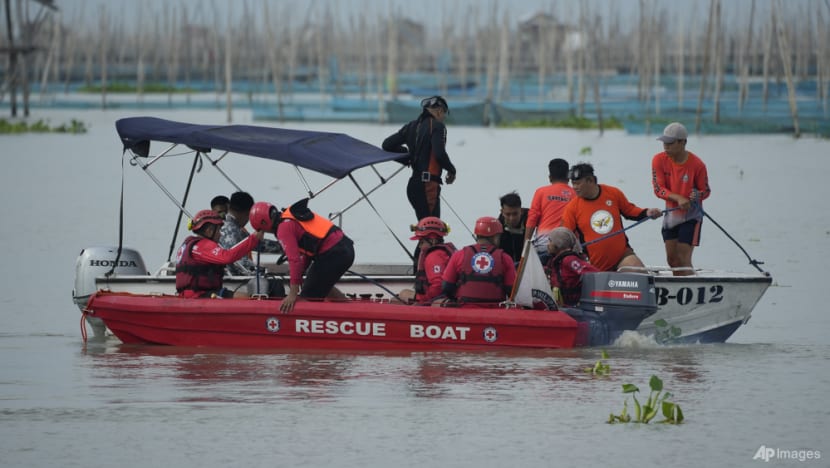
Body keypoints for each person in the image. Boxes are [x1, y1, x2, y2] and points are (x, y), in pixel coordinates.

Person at [250, 199, 354, 313]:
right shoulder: (290, 217)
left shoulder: (283, 229)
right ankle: (352, 312)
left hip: (333, 253)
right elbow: (308, 250)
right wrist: (301, 272)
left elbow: (294, 260)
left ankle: (348, 316)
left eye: (260, 229)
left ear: (264, 223)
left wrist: (293, 294)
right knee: (322, 286)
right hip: (345, 248)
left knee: (307, 297)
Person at [561, 163, 663, 272]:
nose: (574, 187)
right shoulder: (572, 208)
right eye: (573, 184)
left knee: (639, 272)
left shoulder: (613, 193)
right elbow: (565, 236)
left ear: (590, 181)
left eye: (578, 183)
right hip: (594, 265)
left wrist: (647, 212)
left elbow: (630, 211)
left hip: (622, 256)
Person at [382, 95, 457, 221]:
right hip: (428, 187)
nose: (444, 117)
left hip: (413, 186)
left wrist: (407, 157)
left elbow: (387, 145)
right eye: (444, 113)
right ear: (439, 111)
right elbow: (439, 153)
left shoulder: (411, 126)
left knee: (426, 230)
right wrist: (452, 170)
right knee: (433, 232)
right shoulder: (438, 127)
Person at [652, 122, 711, 276]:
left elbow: (706, 191)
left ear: (683, 142)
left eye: (670, 143)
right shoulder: (658, 160)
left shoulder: (698, 165)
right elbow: (658, 189)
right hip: (671, 217)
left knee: (682, 259)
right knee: (672, 261)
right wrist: (678, 198)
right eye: (664, 142)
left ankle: (692, 290)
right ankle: (681, 292)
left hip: (691, 217)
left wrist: (697, 195)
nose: (666, 147)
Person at [175, 209, 263, 299]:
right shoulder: (202, 246)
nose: (220, 235)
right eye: (218, 230)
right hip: (199, 295)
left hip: (195, 293)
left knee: (240, 296)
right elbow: (227, 257)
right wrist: (254, 239)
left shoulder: (189, 244)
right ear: (209, 231)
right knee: (248, 298)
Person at [441, 216, 516, 303]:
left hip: (465, 309)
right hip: (495, 311)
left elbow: (446, 286)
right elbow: (511, 290)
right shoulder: (505, 258)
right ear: (495, 236)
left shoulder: (459, 255)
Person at [219, 191, 283, 276]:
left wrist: (283, 246)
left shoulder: (233, 228)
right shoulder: (230, 231)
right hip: (230, 282)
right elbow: (240, 264)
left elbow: (257, 244)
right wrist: (264, 272)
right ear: (247, 213)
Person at [525, 158, 575, 263]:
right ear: (568, 177)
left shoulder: (541, 192)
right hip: (567, 247)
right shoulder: (576, 195)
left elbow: (532, 218)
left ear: (550, 177)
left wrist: (526, 244)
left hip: (544, 245)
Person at [399, 217, 456, 304]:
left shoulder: (434, 256)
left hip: (436, 301)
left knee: (403, 294)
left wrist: (420, 298)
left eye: (421, 242)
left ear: (432, 241)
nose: (419, 246)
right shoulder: (443, 253)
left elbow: (438, 287)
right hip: (446, 298)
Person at [546, 227, 598, 307]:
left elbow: (595, 273)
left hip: (571, 307)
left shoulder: (569, 260)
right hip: (561, 306)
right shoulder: (555, 261)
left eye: (550, 241)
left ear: (558, 243)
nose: (547, 244)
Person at [496, 191, 529, 264]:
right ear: (502, 212)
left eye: (515, 214)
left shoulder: (531, 219)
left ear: (521, 211)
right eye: (508, 214)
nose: (512, 218)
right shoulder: (497, 228)